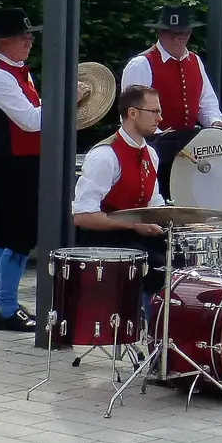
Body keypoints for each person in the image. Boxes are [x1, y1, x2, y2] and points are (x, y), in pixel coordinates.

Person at [0, 8, 90, 333]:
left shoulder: (13, 70)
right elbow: (29, 121)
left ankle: (6, 304)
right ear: (5, 41)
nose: (29, 41)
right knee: (18, 236)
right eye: (23, 36)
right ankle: (7, 309)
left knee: (9, 235)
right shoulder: (0, 76)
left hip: (18, 162)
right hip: (15, 164)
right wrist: (66, 99)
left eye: (29, 35)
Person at [120, 4, 222, 200]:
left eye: (182, 34)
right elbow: (131, 113)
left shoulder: (195, 61)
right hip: (153, 149)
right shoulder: (141, 64)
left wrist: (215, 122)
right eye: (170, 34)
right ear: (159, 33)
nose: (177, 39)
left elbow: (205, 103)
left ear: (189, 33)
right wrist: (159, 135)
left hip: (186, 148)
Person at [72, 85, 168, 293]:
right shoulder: (105, 155)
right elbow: (83, 216)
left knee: (180, 255)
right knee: (158, 266)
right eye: (154, 112)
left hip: (134, 235)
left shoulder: (151, 154)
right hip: (103, 240)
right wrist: (133, 225)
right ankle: (145, 319)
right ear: (132, 113)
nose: (160, 119)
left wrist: (191, 224)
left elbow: (154, 204)